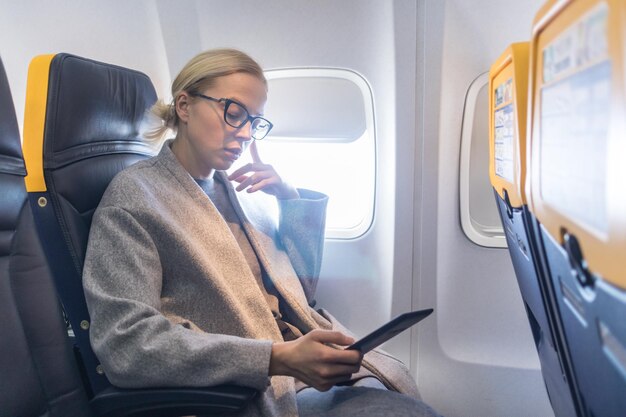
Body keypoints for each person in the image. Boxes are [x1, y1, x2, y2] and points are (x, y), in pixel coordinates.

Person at [83, 48, 439, 417]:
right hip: (255, 387)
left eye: (256, 122)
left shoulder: (240, 190)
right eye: (234, 113)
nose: (246, 135)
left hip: (301, 359)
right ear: (185, 106)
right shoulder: (135, 199)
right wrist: (275, 357)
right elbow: (125, 345)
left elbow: (303, 291)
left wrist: (289, 199)